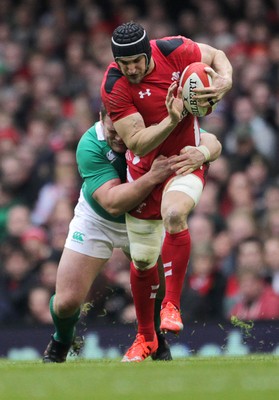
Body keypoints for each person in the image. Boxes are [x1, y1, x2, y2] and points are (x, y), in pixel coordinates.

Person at [42, 106, 221, 363]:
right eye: (111, 131)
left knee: (158, 290)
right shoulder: (90, 144)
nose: (117, 138)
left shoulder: (148, 130)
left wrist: (201, 153)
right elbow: (113, 203)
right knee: (66, 302)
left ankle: (156, 340)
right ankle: (62, 338)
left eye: (121, 132)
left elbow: (212, 142)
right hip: (98, 220)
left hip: (145, 218)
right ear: (100, 119)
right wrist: (152, 177)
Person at [101, 21, 231, 362]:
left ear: (148, 53)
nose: (130, 69)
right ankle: (146, 338)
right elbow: (138, 143)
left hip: (184, 160)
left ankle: (171, 306)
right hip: (145, 171)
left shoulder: (173, 49)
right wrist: (172, 119)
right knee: (143, 260)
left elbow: (217, 56)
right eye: (123, 63)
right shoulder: (114, 83)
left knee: (175, 214)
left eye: (136, 62)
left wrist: (225, 81)